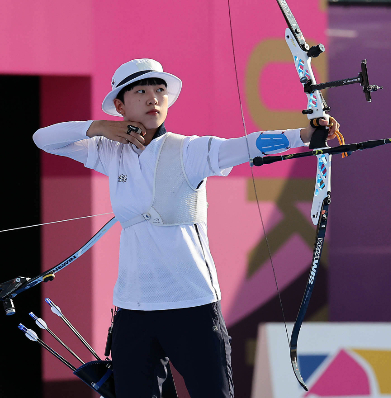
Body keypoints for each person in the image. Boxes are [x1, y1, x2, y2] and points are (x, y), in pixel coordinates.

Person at [32, 58, 339, 398]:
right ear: (120, 105)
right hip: (133, 308)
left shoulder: (189, 150)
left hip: (191, 304)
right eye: (141, 91)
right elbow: (42, 138)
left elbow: (245, 146)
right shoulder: (109, 152)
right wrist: (99, 127)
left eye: (160, 90)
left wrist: (305, 134)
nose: (153, 98)